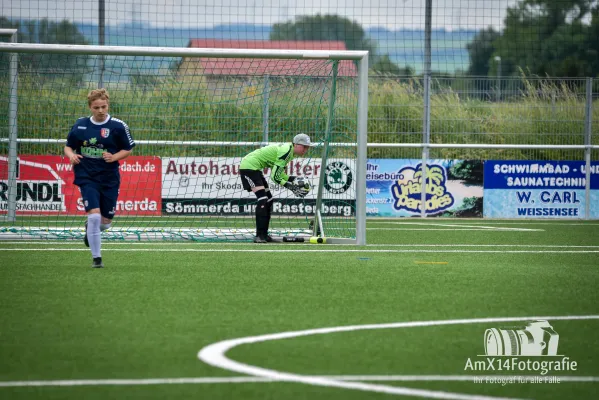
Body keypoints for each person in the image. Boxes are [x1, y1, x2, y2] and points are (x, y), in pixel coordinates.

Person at [64, 89, 135, 268]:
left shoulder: (118, 126)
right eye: (96, 107)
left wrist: (114, 157)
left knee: (105, 223)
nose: (101, 110)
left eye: (104, 106)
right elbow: (68, 147)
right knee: (94, 217)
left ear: (108, 105)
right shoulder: (80, 125)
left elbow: (127, 149)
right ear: (90, 107)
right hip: (86, 175)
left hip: (109, 177)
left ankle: (90, 229)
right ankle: (97, 259)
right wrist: (71, 155)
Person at [239, 133, 312, 243]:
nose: (305, 150)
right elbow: (274, 177)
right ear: (296, 144)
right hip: (249, 167)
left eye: (307, 147)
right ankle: (259, 236)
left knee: (269, 199)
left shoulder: (289, 151)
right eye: (304, 146)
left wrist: (293, 179)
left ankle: (264, 234)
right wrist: (290, 186)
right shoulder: (286, 151)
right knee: (262, 199)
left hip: (255, 168)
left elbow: (279, 174)